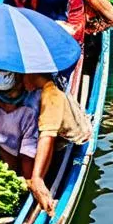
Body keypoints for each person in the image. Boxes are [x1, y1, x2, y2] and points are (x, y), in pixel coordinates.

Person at [22, 71, 92, 214]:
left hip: (67, 142)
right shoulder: (38, 91)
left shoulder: (51, 95)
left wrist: (37, 179)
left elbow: (47, 137)